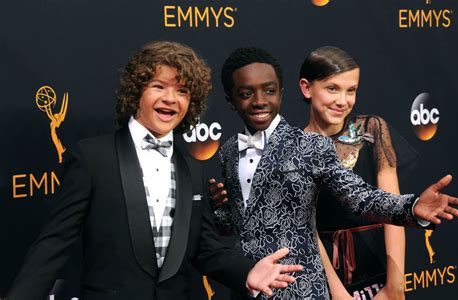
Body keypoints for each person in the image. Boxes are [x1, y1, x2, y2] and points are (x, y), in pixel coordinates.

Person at [3, 41, 303, 300]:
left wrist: (248, 271)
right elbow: (54, 243)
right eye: (158, 86)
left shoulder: (194, 168)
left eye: (183, 91)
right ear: (136, 92)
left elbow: (207, 249)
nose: (170, 99)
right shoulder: (93, 158)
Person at [212, 47, 458, 299]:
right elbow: (243, 222)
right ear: (231, 101)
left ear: (280, 93)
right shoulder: (229, 152)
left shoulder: (311, 145)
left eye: (268, 91)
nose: (259, 100)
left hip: (306, 289)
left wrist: (411, 208)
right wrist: (216, 211)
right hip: (249, 289)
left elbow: (360, 197)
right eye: (246, 93)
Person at [298, 45, 413, 299]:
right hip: (326, 281)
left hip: (380, 273)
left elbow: (394, 210)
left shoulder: (372, 129)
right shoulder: (295, 149)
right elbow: (308, 232)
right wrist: (337, 294)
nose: (343, 101)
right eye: (332, 89)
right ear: (307, 88)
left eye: (351, 90)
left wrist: (395, 286)